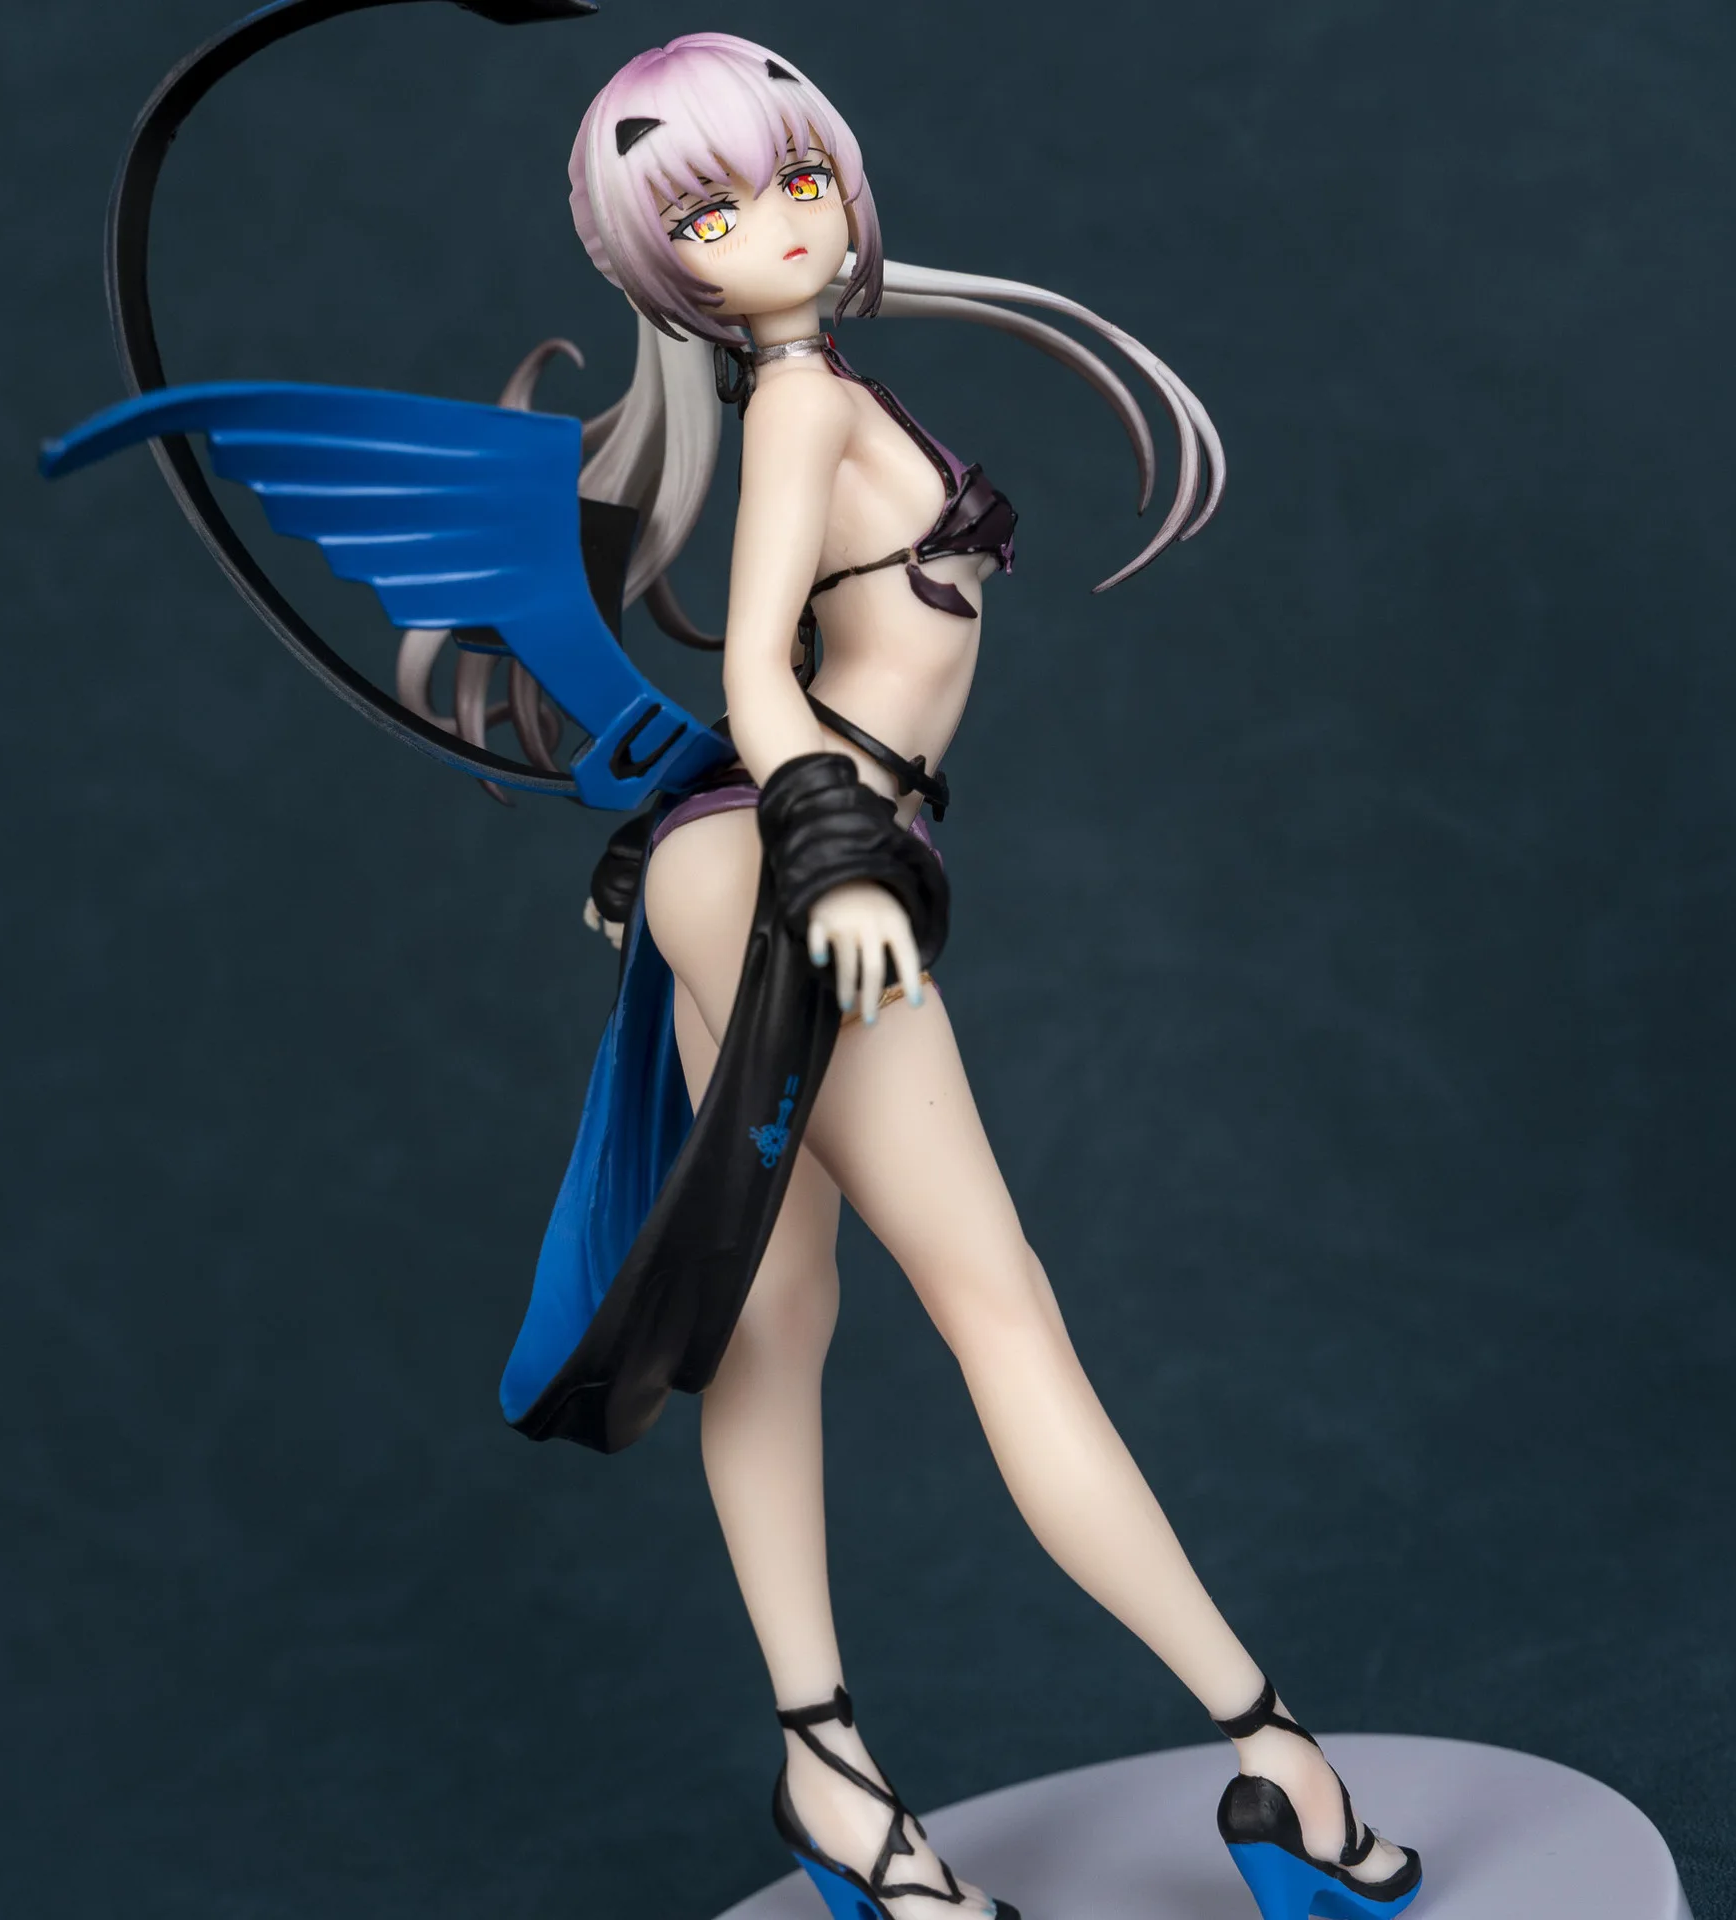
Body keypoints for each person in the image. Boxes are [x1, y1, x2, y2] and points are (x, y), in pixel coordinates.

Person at [472, 33, 1423, 1920]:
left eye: (795, 176)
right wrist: (837, 855)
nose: (779, 225)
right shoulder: (796, 413)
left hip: (759, 849)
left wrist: (793, 832)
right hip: (795, 860)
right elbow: (762, 669)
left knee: (773, 1308)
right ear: (660, 263)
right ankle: (1275, 1758)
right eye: (712, 212)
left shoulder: (832, 385)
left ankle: (830, 1780)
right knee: (1001, 1313)